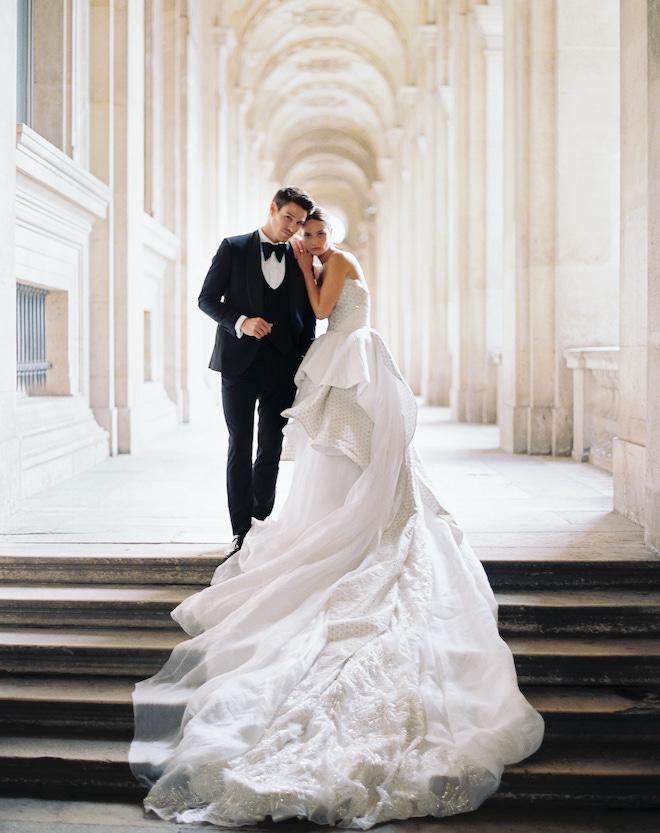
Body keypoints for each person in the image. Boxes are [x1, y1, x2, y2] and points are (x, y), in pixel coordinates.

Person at [130, 207, 544, 829]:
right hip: (313, 361)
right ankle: (295, 525)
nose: (313, 241)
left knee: (345, 454)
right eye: (305, 233)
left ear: (331, 235)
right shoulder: (274, 254)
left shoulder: (336, 263)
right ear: (282, 220)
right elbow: (250, 305)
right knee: (314, 458)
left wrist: (304, 264)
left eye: (318, 232)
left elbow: (321, 311)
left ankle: (354, 529)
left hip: (352, 362)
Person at [198, 186, 317, 559]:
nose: (293, 228)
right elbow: (206, 299)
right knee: (240, 445)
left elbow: (308, 317)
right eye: (288, 219)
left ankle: (260, 524)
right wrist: (241, 321)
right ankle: (239, 532)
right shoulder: (233, 248)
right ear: (272, 209)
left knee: (270, 447)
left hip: (282, 365)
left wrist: (305, 362)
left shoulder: (300, 257)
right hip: (237, 364)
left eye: (299, 223)